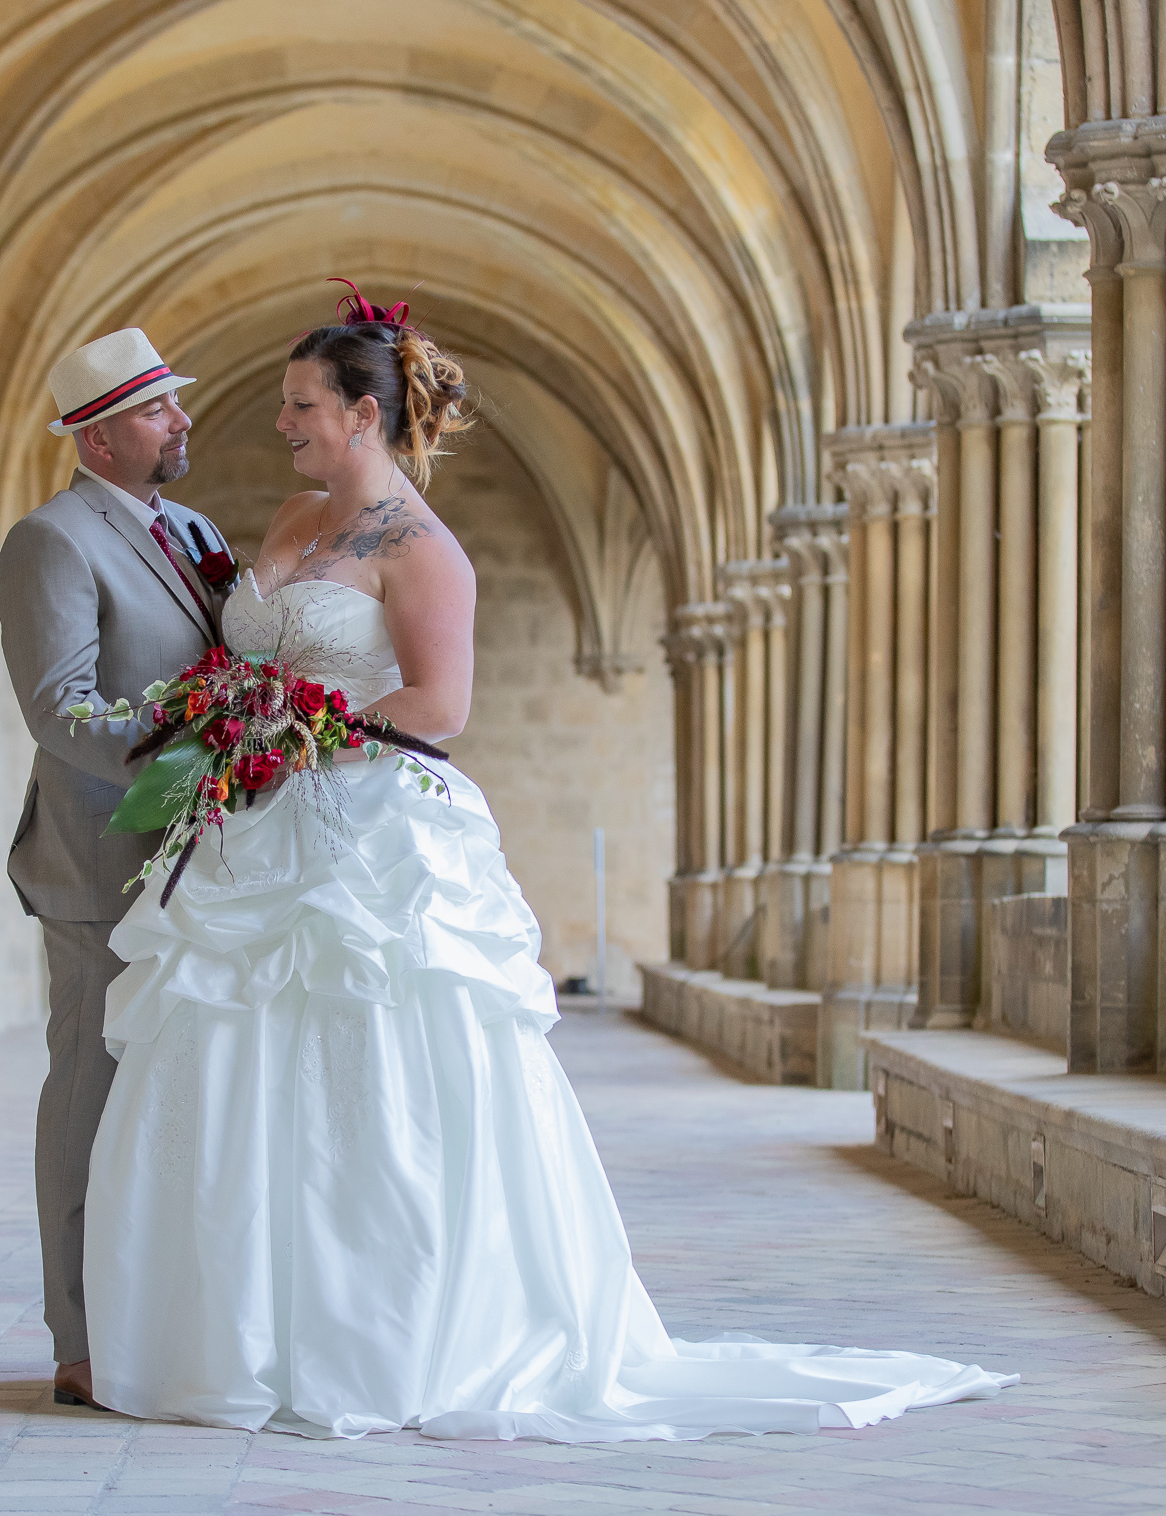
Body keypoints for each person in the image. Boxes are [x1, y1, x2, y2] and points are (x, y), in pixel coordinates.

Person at [80, 286, 1017, 1440]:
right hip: (253, 830)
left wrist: (296, 730)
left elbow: (441, 704)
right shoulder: (285, 520)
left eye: (302, 404)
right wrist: (236, 722)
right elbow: (247, 648)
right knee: (238, 1064)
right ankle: (228, 1333)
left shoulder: (424, 549)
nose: (283, 422)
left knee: (367, 1067)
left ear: (365, 415)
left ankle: (379, 1333)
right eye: (286, 404)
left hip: (368, 836)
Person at [0, 328, 235, 1413]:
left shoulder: (197, 531)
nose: (181, 419)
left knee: (177, 1099)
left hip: (204, 861)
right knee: (89, 1096)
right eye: (156, 408)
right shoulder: (49, 541)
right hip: (101, 859)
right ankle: (81, 1340)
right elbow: (62, 709)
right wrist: (198, 743)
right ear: (96, 437)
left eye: (174, 402)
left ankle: (164, 1320)